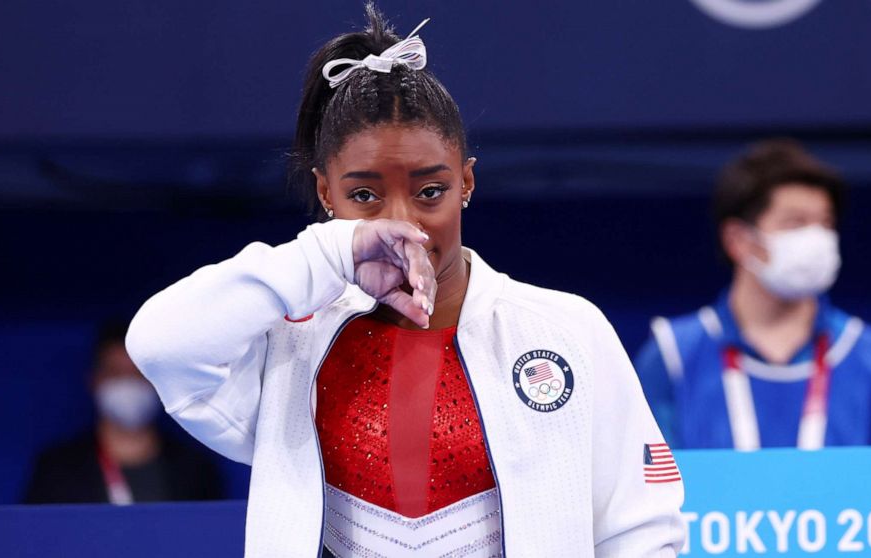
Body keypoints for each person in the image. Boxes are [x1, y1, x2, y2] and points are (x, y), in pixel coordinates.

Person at [126, 6, 684, 557]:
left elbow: (641, 532)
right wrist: (328, 253)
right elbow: (160, 344)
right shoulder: (292, 338)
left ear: (466, 180)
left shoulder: (566, 329)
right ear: (326, 196)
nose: (402, 224)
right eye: (364, 196)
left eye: (430, 191)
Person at [634, 139, 871, 450]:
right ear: (738, 240)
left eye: (826, 223)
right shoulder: (673, 356)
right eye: (795, 223)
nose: (817, 238)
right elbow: (645, 485)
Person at [25, 321, 223, 504]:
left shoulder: (194, 468)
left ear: (158, 381)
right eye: (115, 372)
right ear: (94, 381)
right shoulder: (57, 469)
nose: (127, 382)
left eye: (138, 372)